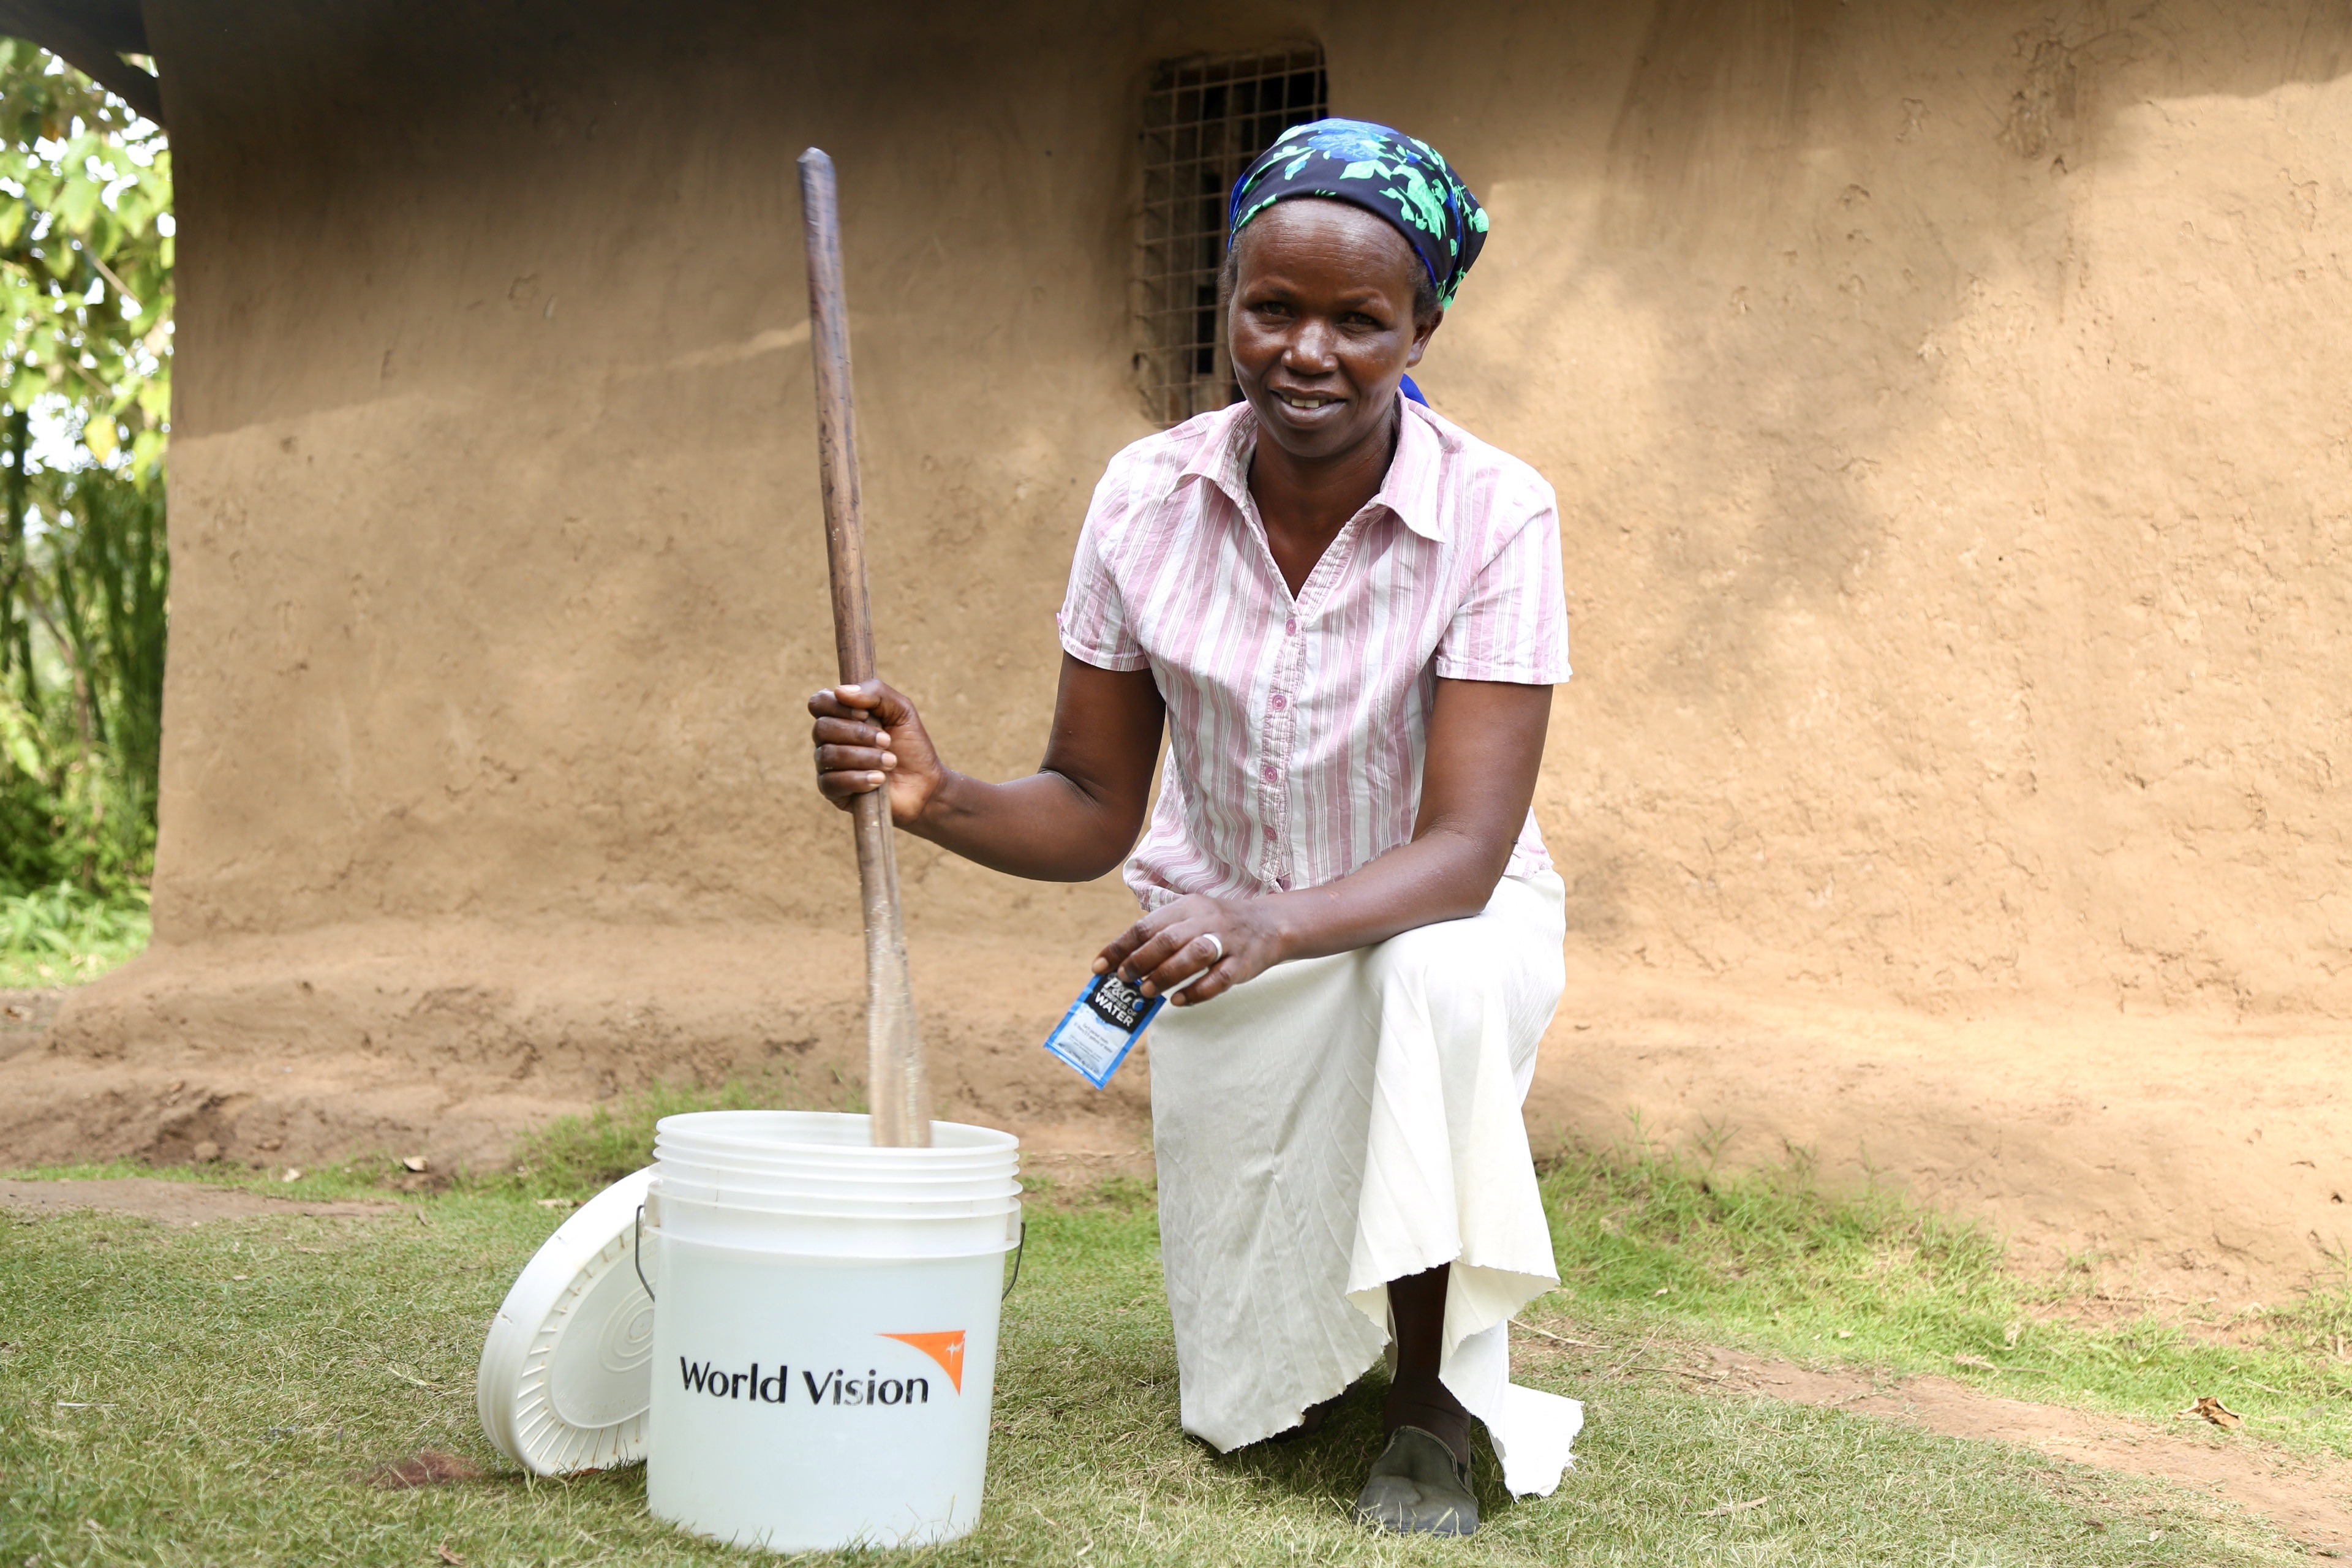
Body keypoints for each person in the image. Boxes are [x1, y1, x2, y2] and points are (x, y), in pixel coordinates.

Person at [809, 118, 1580, 1536]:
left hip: (1444, 921)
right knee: (1246, 1396)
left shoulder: (1496, 512)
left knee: (1425, 980)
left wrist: (1265, 919)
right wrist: (940, 797)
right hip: (1221, 941)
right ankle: (1330, 1358)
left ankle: (1431, 1400)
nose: (1307, 351)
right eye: (1272, 306)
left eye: (1361, 319)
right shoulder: (1146, 497)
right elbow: (1097, 805)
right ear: (1226, 300)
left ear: (1424, 327)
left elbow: (1467, 851)